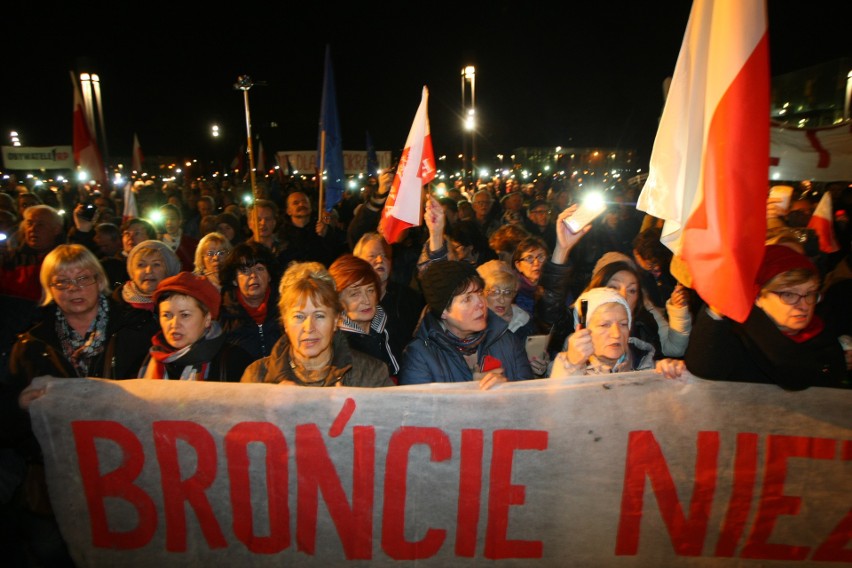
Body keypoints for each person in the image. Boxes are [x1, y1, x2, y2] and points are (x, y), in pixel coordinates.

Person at [685, 244, 850, 389]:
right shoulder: (738, 337)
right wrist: (718, 305)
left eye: (810, 294)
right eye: (789, 295)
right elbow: (705, 369)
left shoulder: (823, 336)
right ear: (758, 297)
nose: (804, 305)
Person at [240, 262, 393, 387]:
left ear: (335, 321)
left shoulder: (370, 375)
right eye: (299, 316)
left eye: (319, 316)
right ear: (285, 322)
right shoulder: (257, 377)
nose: (309, 328)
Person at [398, 260, 534, 388]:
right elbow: (418, 411)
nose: (481, 303)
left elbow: (528, 403)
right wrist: (471, 392)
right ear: (444, 311)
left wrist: (506, 391)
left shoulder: (507, 341)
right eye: (468, 299)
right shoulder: (419, 356)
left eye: (480, 293)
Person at [139, 272, 253, 381]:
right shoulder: (153, 357)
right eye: (167, 315)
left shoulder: (234, 360)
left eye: (184, 315)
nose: (174, 324)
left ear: (207, 319)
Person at [550, 287, 686, 379]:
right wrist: (572, 366)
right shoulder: (562, 370)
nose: (616, 334)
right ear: (582, 330)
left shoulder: (646, 365)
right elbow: (557, 411)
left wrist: (670, 374)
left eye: (623, 324)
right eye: (604, 325)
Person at [353, 232, 425, 360]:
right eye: (372, 256)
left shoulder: (409, 298)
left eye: (385, 256)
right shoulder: (348, 303)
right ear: (358, 262)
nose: (380, 260)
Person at [329, 254, 400, 378]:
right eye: (355, 294)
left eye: (370, 290)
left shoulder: (390, 323)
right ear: (337, 300)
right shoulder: (336, 344)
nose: (366, 300)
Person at [219, 242, 282, 360]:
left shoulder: (285, 309)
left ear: (269, 276)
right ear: (234, 280)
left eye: (259, 269)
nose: (253, 275)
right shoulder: (222, 314)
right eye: (245, 270)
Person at [159, 203, 199, 272]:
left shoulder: (193, 243)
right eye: (165, 219)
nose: (169, 222)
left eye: (172, 219)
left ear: (180, 221)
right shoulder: (156, 243)